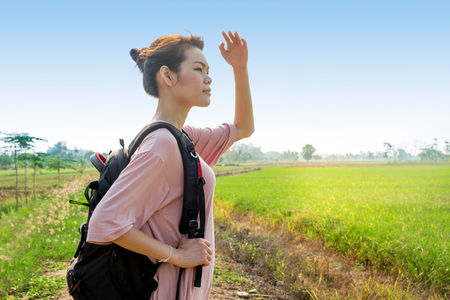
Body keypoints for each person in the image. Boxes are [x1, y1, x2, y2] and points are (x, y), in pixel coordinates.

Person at [86, 31, 254, 300]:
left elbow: (243, 128)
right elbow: (104, 224)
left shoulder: (183, 137)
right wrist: (176, 255)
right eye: (198, 69)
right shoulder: (162, 144)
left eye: (208, 70)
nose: (208, 77)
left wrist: (240, 68)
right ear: (168, 76)